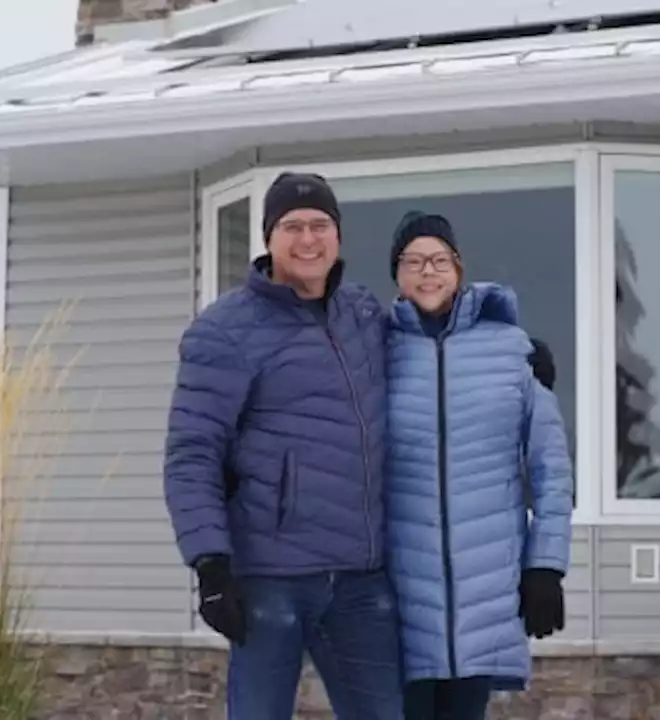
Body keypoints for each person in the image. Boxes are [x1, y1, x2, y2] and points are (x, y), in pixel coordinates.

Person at [163, 172, 403, 719]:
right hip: (270, 578)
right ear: (269, 237)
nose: (308, 239)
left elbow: (435, 341)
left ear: (338, 236)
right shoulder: (225, 331)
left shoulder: (363, 315)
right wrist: (211, 566)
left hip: (361, 581)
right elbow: (191, 454)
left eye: (320, 224)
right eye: (292, 226)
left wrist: (509, 345)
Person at [383, 211, 575, 720]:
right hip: (400, 591)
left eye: (439, 259)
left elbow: (551, 469)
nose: (429, 271)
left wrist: (546, 566)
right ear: (397, 276)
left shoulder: (512, 351)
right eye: (414, 261)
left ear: (459, 268)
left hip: (485, 590)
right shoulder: (376, 351)